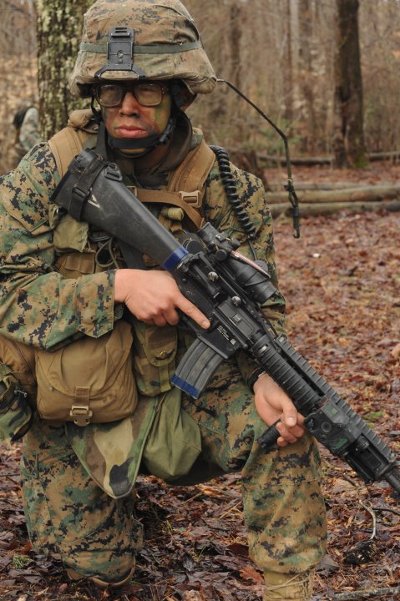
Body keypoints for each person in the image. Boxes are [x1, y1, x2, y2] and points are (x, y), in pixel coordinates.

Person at [0, 1, 327, 599]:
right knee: (99, 571)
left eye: (147, 91)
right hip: (79, 403)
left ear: (180, 93)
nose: (127, 107)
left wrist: (268, 373)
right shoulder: (46, 173)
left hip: (192, 391)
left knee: (286, 426)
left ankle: (291, 586)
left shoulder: (228, 186)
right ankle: (113, 518)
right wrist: (118, 288)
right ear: (94, 91)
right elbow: (6, 292)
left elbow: (264, 303)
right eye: (113, 91)